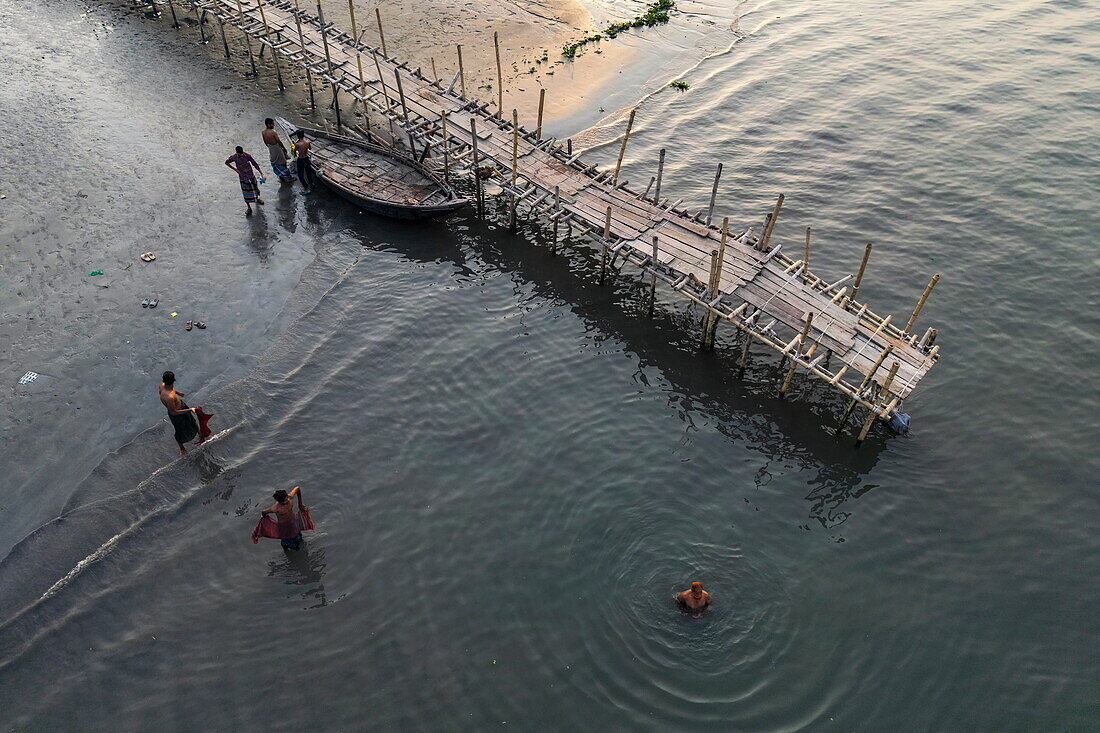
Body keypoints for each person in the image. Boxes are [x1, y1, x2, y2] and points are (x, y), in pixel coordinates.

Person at [159, 370, 199, 457]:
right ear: (174, 380)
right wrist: (190, 410)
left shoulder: (162, 385)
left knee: (193, 421)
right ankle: (182, 448)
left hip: (182, 406)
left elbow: (170, 389)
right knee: (179, 431)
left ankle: (201, 434)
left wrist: (177, 393)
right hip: (177, 414)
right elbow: (174, 412)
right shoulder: (169, 397)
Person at [259, 486, 309, 551]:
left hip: (293, 522)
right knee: (287, 543)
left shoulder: (290, 497)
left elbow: (298, 488)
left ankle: (297, 544)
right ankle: (287, 550)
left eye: (287, 498)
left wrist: (300, 504)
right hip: (284, 527)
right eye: (284, 501)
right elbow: (264, 512)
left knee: (298, 537)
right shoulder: (276, 508)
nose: (287, 501)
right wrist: (264, 517)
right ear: (279, 502)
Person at [225, 145, 265, 215]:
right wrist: (235, 169)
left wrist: (261, 173)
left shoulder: (247, 156)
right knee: (246, 192)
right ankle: (249, 207)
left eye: (242, 153)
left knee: (255, 188)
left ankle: (257, 199)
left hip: (251, 175)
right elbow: (226, 162)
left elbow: (254, 164)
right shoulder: (234, 157)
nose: (241, 155)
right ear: (237, 153)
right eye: (240, 154)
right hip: (243, 176)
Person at [261, 118, 294, 184]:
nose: (274, 125)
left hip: (271, 149)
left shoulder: (263, 132)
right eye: (272, 124)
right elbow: (279, 141)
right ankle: (289, 178)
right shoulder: (273, 132)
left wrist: (270, 148)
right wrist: (284, 149)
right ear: (268, 124)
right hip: (276, 148)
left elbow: (265, 142)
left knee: (275, 163)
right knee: (283, 162)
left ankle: (281, 178)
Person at [292, 129, 315, 194]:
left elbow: (294, 151)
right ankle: (311, 184)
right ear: (303, 135)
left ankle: (306, 188)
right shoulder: (307, 142)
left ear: (298, 136)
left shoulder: (297, 144)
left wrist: (294, 147)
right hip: (306, 158)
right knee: (308, 173)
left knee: (300, 175)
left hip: (301, 159)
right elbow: (310, 148)